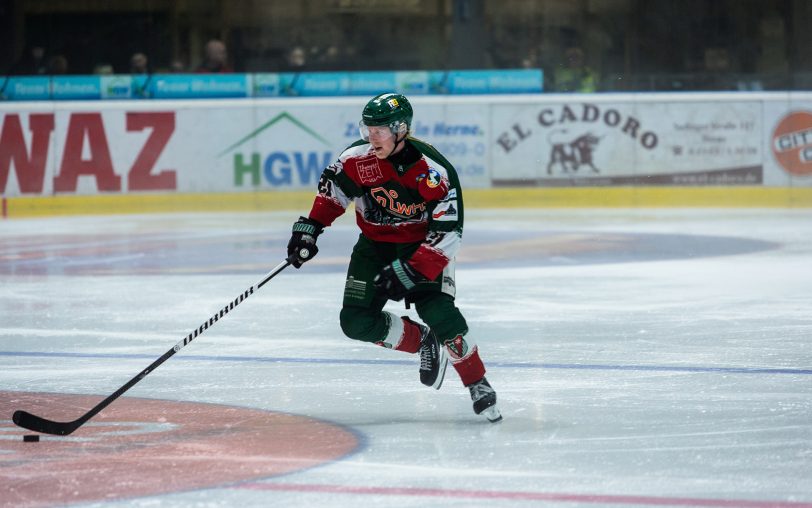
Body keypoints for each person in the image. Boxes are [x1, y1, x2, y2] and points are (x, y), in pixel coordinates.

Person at [285, 93, 502, 422]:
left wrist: (410, 270)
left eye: (380, 130)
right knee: (355, 322)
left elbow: (448, 232)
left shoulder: (432, 172)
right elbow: (333, 195)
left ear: (401, 129)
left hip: (421, 246)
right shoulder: (356, 160)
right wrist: (310, 228)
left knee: (438, 311)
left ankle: (477, 383)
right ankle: (422, 342)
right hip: (373, 245)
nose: (372, 138)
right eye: (368, 129)